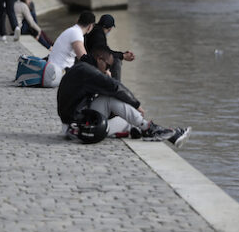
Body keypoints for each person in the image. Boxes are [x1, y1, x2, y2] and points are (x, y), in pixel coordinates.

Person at [57, 47, 191, 146]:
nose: (108, 70)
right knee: (109, 98)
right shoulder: (88, 72)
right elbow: (115, 87)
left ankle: (170, 134)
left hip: (75, 123)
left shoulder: (81, 68)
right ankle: (150, 128)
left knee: (128, 122)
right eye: (107, 66)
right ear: (99, 59)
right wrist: (136, 104)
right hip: (77, 127)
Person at [44, 11, 96, 87]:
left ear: (78, 20)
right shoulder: (76, 33)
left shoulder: (72, 30)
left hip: (55, 70)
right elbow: (84, 58)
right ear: (90, 26)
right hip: (59, 72)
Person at [84, 14, 134, 81]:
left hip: (87, 59)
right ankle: (116, 86)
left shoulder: (95, 30)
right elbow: (105, 53)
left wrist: (122, 54)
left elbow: (105, 50)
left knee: (115, 58)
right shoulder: (99, 35)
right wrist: (123, 56)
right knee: (116, 61)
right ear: (110, 28)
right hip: (90, 62)